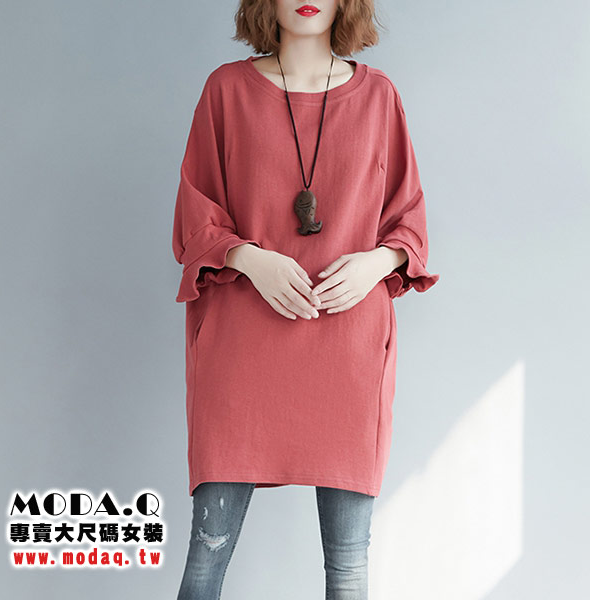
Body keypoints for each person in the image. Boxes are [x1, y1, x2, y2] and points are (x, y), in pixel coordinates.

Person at [173, 1, 439, 598]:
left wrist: (376, 263)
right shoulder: (226, 90)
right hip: (242, 347)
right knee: (206, 558)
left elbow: (409, 220)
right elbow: (196, 214)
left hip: (347, 349)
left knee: (348, 567)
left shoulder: (379, 96)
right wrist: (252, 259)